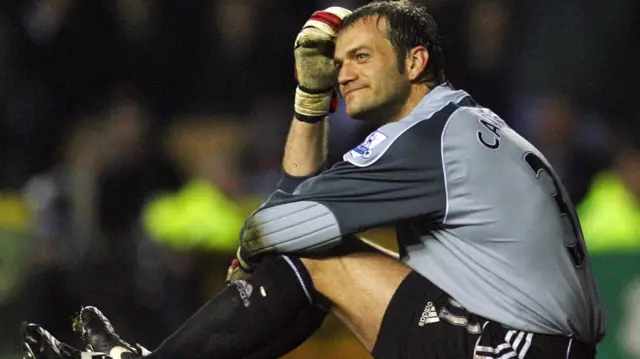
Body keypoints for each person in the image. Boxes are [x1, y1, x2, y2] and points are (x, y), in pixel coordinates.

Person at [22, 1, 605, 358]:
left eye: (360, 57)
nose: (341, 72)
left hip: (515, 347)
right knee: (316, 254)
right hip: (534, 341)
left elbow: (279, 223)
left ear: (415, 62)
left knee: (314, 256)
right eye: (337, 60)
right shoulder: (464, 124)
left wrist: (253, 250)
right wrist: (312, 99)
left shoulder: (430, 136)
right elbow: (298, 211)